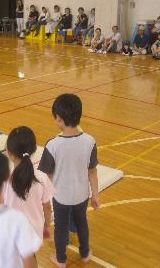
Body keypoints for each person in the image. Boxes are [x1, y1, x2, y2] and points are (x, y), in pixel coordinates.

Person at [38, 94, 99, 268]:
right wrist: (95, 194)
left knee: (61, 228)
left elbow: (45, 177)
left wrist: (40, 199)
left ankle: (61, 259)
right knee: (82, 223)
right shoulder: (90, 141)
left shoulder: (53, 145)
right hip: (82, 195)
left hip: (61, 198)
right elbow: (92, 172)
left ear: (58, 118)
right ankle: (85, 253)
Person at [3, 126, 54, 240]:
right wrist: (47, 225)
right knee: (29, 256)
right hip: (34, 233)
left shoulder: (5, 180)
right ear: (34, 149)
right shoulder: (42, 177)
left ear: (8, 151)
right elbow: (47, 207)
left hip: (12, 233)